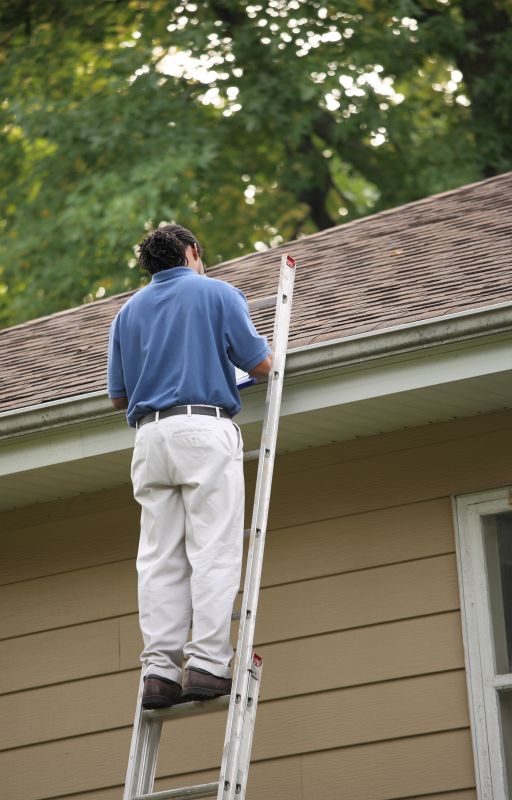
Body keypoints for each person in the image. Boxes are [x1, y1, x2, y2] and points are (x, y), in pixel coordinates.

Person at [107, 224, 271, 709]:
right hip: (203, 427)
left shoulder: (126, 313)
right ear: (192, 252)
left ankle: (159, 671)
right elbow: (260, 364)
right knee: (214, 549)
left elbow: (119, 397)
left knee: (159, 559)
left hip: (149, 439)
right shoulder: (217, 293)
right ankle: (208, 663)